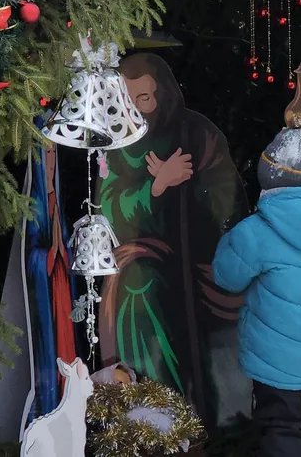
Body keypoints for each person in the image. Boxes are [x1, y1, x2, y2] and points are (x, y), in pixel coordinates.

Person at [97, 53, 251, 427]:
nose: (137, 109)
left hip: (200, 259)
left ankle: (205, 419)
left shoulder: (197, 133)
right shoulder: (117, 141)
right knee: (143, 284)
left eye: (145, 98)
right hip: (144, 259)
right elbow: (109, 206)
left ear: (163, 94)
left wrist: (190, 190)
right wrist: (158, 185)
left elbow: (228, 199)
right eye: (129, 100)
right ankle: (151, 416)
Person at [212, 122, 301, 457]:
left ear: (269, 176)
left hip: (273, 359)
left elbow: (226, 277)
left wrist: (228, 238)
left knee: (280, 426)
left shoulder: (256, 232)